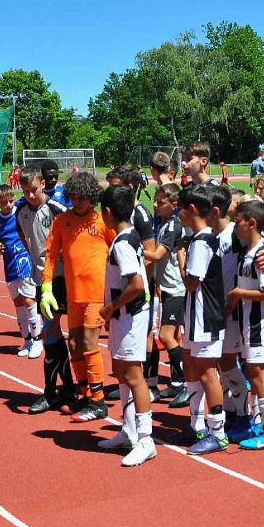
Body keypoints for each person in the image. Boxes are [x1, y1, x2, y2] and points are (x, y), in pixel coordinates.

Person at [39, 171, 117, 421]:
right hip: (74, 295)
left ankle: (98, 401)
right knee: (74, 345)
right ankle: (85, 395)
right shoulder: (62, 221)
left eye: (82, 197)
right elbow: (51, 255)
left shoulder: (103, 221)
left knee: (89, 344)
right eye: (73, 196)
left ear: (92, 197)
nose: (77, 201)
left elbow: (119, 251)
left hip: (97, 294)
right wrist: (47, 287)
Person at [93, 185, 156, 467]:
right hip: (124, 317)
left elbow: (137, 284)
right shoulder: (130, 235)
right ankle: (129, 431)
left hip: (130, 316)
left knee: (133, 375)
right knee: (121, 371)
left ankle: (146, 439)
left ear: (107, 212)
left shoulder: (121, 243)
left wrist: (110, 308)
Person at [14, 165, 77, 413]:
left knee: (65, 335)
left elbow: (74, 233)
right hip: (42, 279)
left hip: (62, 277)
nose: (30, 195)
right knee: (51, 333)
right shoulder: (20, 212)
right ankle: (60, 390)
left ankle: (71, 391)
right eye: (25, 191)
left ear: (42, 184)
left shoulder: (56, 208)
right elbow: (23, 235)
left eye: (34, 190)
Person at [175, 182, 230, 453]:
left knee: (207, 373)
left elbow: (191, 282)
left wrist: (180, 258)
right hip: (196, 315)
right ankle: (196, 424)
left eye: (180, 209)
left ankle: (217, 432)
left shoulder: (201, 242)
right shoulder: (203, 238)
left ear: (192, 209)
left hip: (205, 317)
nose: (178, 214)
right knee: (191, 366)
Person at [227, 200, 264, 450]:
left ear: (251, 223)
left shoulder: (260, 256)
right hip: (248, 325)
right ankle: (260, 425)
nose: (234, 225)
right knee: (255, 375)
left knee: (259, 378)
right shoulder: (248, 251)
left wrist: (239, 293)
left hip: (259, 325)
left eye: (238, 221)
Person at [0, 185, 41, 359]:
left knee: (29, 300)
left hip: (26, 261)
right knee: (18, 303)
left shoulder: (21, 212)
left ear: (14, 198)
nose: (8, 205)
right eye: (4, 202)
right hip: (10, 265)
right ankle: (27, 340)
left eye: (10, 201)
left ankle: (38, 340)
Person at [152, 183, 188, 405]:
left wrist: (134, 249)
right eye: (155, 201)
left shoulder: (173, 225)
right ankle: (177, 382)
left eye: (161, 202)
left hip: (176, 289)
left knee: (165, 336)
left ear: (174, 205)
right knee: (175, 337)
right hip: (167, 287)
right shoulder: (164, 224)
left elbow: (157, 255)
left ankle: (188, 381)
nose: (155, 205)